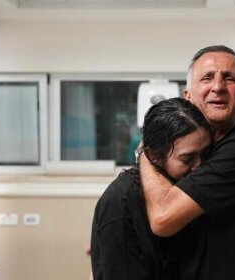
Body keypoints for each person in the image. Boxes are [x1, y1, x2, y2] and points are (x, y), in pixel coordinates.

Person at [139, 45, 235, 280]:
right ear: (187, 97)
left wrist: (144, 153)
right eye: (207, 78)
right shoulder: (197, 155)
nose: (218, 87)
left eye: (229, 78)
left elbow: (163, 218)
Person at [90, 98, 212, 280]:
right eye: (187, 159)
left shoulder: (185, 189)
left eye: (206, 154)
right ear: (154, 156)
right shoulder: (121, 201)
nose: (200, 166)